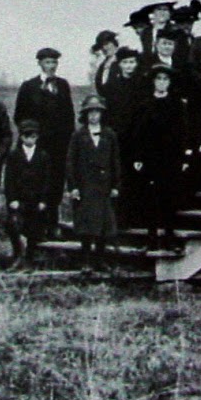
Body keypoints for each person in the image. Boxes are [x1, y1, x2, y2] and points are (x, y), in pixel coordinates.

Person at [127, 64, 192, 252]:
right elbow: (137, 133)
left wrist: (185, 156)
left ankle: (170, 237)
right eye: (158, 79)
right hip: (150, 157)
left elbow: (184, 131)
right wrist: (138, 156)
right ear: (153, 82)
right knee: (150, 197)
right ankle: (152, 237)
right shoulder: (144, 105)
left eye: (165, 79)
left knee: (169, 197)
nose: (162, 83)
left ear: (170, 83)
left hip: (171, 157)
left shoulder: (177, 104)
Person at [13, 47, 76, 238]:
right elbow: (19, 116)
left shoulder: (62, 85)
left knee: (55, 182)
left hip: (58, 146)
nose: (51, 66)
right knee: (34, 182)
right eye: (47, 62)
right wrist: (30, 135)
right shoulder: (29, 86)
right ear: (39, 63)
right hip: (37, 144)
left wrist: (67, 139)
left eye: (54, 63)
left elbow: (69, 115)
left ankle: (53, 224)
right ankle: (33, 229)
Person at [65, 95, 121, 274]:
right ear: (86, 114)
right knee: (87, 225)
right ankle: (86, 261)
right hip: (85, 185)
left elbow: (116, 162)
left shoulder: (110, 135)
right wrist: (73, 187)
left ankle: (100, 259)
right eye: (91, 112)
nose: (94, 116)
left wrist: (115, 186)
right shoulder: (78, 135)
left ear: (102, 114)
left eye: (97, 112)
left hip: (104, 186)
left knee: (104, 226)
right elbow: (70, 162)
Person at [3, 118, 53, 269]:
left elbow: (47, 180)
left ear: (37, 137)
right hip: (19, 199)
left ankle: (30, 258)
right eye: (26, 136)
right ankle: (18, 255)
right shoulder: (14, 155)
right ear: (21, 137)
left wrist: (43, 200)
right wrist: (12, 199)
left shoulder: (43, 156)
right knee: (14, 226)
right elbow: (9, 179)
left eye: (33, 136)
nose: (29, 139)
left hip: (36, 200)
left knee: (34, 229)